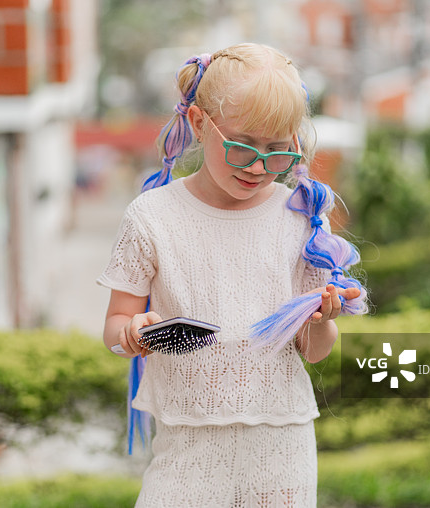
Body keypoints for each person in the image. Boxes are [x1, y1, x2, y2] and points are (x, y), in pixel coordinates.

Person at [97, 43, 367, 507]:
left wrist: (320, 320)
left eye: (279, 151)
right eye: (243, 147)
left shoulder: (296, 218)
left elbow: (317, 353)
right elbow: (114, 328)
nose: (260, 167)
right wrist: (136, 333)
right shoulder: (152, 217)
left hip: (281, 449)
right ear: (200, 124)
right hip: (186, 448)